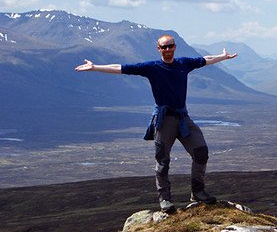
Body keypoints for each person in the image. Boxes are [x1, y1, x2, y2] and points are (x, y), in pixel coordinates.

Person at [75, 34, 237, 213]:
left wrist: (222, 57)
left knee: (201, 151)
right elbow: (121, 68)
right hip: (164, 120)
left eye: (170, 46)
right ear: (158, 49)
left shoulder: (184, 64)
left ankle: (198, 192)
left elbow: (204, 60)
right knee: (162, 161)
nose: (167, 50)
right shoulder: (152, 67)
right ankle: (165, 199)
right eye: (164, 47)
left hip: (183, 117)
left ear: (175, 47)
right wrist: (95, 67)